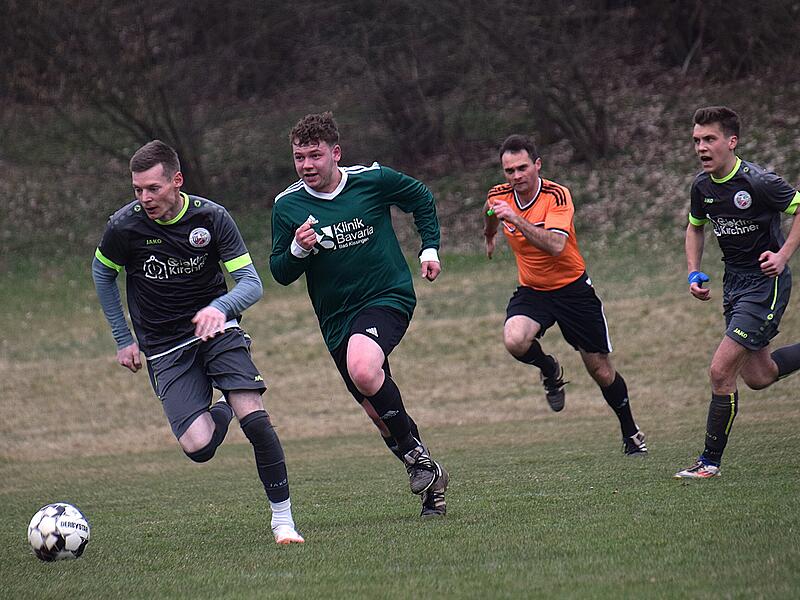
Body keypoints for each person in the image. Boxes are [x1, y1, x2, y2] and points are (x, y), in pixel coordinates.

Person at [92, 140, 303, 544]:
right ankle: (223, 408)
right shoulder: (124, 226)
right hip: (164, 347)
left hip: (217, 333)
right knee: (199, 446)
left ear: (177, 181)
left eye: (153, 188)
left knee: (255, 419)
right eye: (137, 189)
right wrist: (124, 339)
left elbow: (252, 284)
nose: (144, 198)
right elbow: (102, 274)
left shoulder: (213, 217)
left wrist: (220, 308)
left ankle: (283, 522)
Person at [269, 112, 449, 517]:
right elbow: (280, 272)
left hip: (387, 296)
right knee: (377, 412)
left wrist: (430, 248)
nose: (307, 165)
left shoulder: (373, 180)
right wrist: (297, 249)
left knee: (364, 370)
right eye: (299, 157)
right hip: (336, 320)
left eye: (315, 155)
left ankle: (419, 461)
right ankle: (429, 481)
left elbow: (420, 196)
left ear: (336, 153)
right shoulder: (287, 206)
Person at [483, 134, 648, 456]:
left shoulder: (557, 195)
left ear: (537, 165)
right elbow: (489, 209)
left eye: (522, 168)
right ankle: (549, 369)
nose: (516, 176)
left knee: (600, 370)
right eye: (509, 171)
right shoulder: (499, 195)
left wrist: (515, 219)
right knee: (514, 339)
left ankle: (631, 432)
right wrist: (489, 235)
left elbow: (556, 246)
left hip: (573, 290)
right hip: (533, 290)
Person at [675, 106, 800, 478]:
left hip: (766, 284)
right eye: (697, 140)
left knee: (720, 370)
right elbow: (695, 227)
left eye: (709, 139)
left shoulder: (759, 182)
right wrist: (693, 271)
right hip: (735, 285)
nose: (701, 147)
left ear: (732, 141)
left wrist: (783, 254)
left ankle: (709, 462)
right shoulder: (702, 186)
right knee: (760, 376)